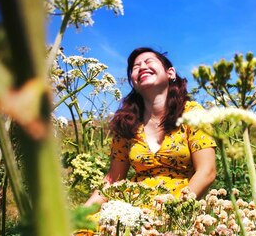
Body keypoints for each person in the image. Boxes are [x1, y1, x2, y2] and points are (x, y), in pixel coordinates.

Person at [85, 47, 216, 207]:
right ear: (133, 81)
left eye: (148, 61)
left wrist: (175, 213)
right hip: (131, 210)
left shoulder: (192, 113)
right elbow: (113, 180)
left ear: (170, 73)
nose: (142, 67)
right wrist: (80, 216)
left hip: (178, 210)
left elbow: (207, 171)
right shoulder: (126, 124)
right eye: (135, 67)